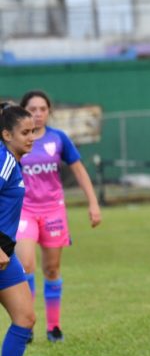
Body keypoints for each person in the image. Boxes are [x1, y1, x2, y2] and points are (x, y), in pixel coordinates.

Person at [17, 90, 102, 343]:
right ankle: (27, 323)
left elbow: (79, 170)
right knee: (26, 265)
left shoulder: (59, 139)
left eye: (42, 109)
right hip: (25, 210)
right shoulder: (15, 142)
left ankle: (54, 328)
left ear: (49, 111)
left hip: (53, 211)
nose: (38, 114)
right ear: (24, 112)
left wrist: (93, 203)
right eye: (32, 109)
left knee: (52, 269)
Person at [0, 103, 40, 356]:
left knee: (25, 318)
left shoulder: (13, 162)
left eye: (34, 131)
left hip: (6, 252)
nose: (31, 137)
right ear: (5, 134)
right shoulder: (4, 162)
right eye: (25, 133)